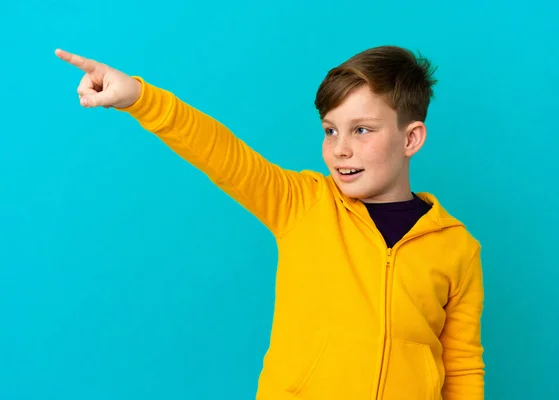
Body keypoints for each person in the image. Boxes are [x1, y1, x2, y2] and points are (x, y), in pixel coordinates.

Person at [55, 45, 484, 400]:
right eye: (330, 131)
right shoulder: (302, 203)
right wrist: (141, 98)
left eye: (362, 130)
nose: (340, 150)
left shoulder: (457, 247)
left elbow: (461, 366)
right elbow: (221, 152)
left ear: (411, 138)